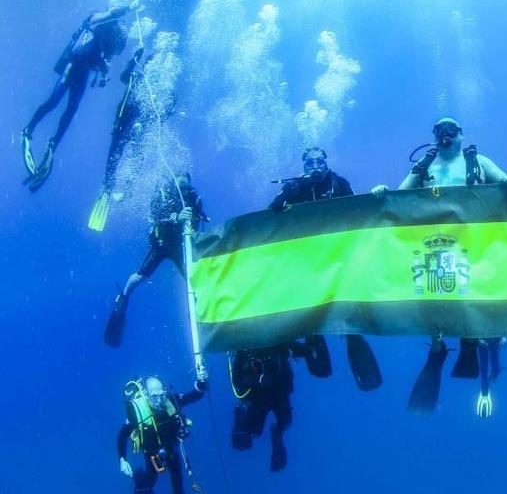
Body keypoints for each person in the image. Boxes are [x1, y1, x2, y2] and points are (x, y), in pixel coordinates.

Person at [371, 117, 507, 414]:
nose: (445, 135)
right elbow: (399, 195)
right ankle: (437, 347)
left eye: (451, 130)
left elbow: (506, 180)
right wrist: (381, 191)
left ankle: (470, 340)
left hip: (472, 244)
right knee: (437, 298)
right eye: (440, 131)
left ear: (461, 134)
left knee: (471, 294)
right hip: (434, 244)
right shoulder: (424, 166)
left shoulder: (478, 162)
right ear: (434, 136)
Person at [269, 147, 383, 391]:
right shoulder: (295, 187)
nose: (315, 166)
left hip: (338, 260)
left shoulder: (338, 183)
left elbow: (359, 207)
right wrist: (284, 196)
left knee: (344, 309)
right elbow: (270, 216)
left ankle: (350, 335)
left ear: (326, 162)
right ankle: (314, 339)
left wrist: (375, 195)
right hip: (307, 264)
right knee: (313, 312)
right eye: (310, 163)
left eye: (320, 161)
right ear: (303, 166)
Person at [21, 0, 140, 192]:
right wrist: (127, 7)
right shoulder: (100, 19)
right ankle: (28, 130)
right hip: (74, 63)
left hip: (83, 72)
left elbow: (104, 60)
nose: (120, 28)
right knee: (54, 101)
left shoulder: (111, 39)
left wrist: (104, 75)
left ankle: (53, 144)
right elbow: (103, 18)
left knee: (72, 109)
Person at [104, 173, 207, 347]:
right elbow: (153, 215)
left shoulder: (193, 196)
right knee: (139, 276)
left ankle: (198, 312)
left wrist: (197, 218)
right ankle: (123, 300)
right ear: (175, 179)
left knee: (194, 281)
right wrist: (176, 217)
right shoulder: (164, 193)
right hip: (162, 244)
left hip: (180, 248)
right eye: (181, 179)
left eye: (187, 180)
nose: (184, 183)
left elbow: (200, 218)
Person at [90, 32, 180, 232]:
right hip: (125, 119)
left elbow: (169, 106)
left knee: (136, 155)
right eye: (148, 65)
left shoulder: (161, 86)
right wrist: (134, 60)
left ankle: (128, 188)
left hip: (141, 123)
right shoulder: (137, 75)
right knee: (115, 153)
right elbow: (124, 77)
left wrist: (161, 113)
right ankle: (107, 186)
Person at [229, 338, 331, 472]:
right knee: (247, 437)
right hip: (259, 395)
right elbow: (237, 381)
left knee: (283, 420)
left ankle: (277, 434)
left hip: (277, 390)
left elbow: (301, 351)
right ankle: (272, 431)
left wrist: (310, 347)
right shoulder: (244, 350)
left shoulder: (279, 342)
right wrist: (258, 379)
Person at [117, 376, 208, 494]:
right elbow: (122, 435)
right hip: (151, 453)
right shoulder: (138, 412)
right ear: (145, 394)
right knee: (149, 482)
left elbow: (194, 396)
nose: (159, 401)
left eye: (162, 395)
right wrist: (122, 459)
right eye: (154, 397)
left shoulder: (171, 401)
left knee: (178, 485)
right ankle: (140, 481)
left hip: (171, 449)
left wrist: (201, 385)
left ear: (165, 392)